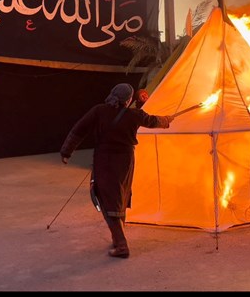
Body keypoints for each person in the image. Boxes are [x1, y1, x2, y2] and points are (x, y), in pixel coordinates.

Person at [60, 83, 174, 258]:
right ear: (128, 100)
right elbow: (153, 121)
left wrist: (66, 152)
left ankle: (121, 246)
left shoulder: (99, 111)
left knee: (107, 199)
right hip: (125, 161)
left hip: (105, 160)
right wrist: (167, 120)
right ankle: (117, 238)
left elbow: (79, 130)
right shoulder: (134, 115)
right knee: (119, 195)